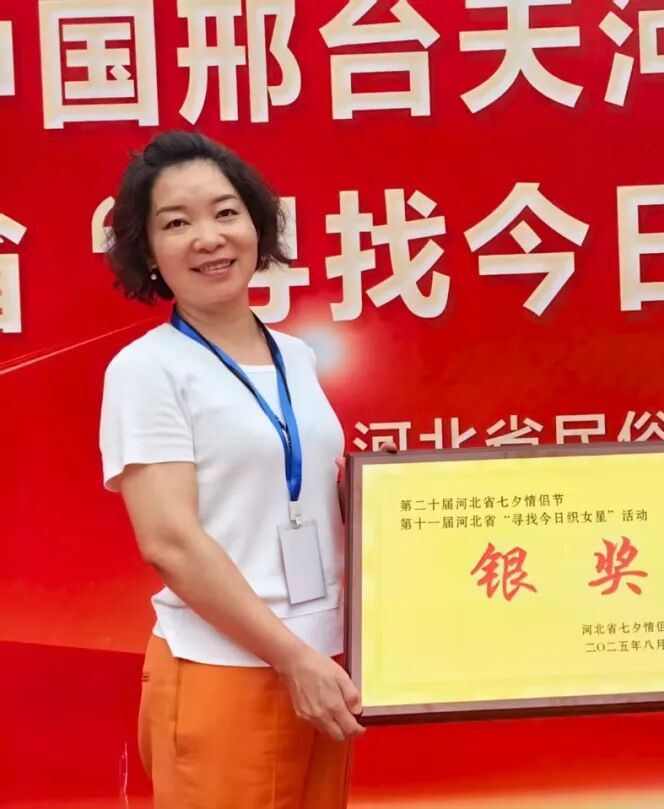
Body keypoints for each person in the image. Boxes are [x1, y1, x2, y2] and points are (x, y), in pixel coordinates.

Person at [99, 130, 362, 808]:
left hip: (323, 665)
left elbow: (297, 496)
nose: (209, 238)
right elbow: (171, 542)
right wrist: (291, 657)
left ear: (256, 224)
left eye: (225, 212)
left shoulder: (296, 357)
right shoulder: (148, 369)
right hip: (225, 668)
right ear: (147, 252)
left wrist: (381, 506)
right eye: (176, 223)